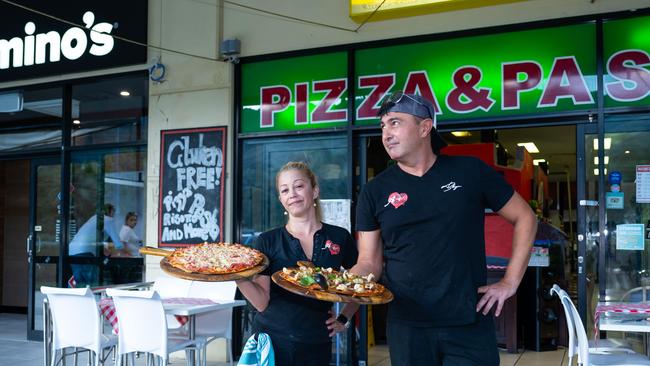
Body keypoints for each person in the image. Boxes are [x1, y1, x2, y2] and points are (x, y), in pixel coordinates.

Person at [352, 91, 537, 366]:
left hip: (468, 322)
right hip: (408, 326)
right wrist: (343, 286)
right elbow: (368, 262)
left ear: (425, 127)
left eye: (395, 122)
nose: (386, 133)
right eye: (382, 126)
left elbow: (526, 217)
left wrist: (511, 281)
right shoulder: (374, 191)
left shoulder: (470, 171)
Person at [236, 161, 359, 366]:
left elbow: (363, 284)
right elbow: (261, 302)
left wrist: (344, 319)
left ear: (315, 190)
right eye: (285, 190)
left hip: (317, 342)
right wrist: (235, 275)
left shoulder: (339, 237)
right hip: (272, 344)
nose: (292, 194)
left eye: (299, 186)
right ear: (281, 199)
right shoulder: (267, 240)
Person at [68, 203, 125, 287]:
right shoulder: (108, 220)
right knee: (93, 284)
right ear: (109, 212)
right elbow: (118, 243)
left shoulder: (94, 218)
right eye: (113, 213)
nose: (113, 216)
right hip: (85, 252)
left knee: (80, 285)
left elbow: (97, 240)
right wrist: (123, 251)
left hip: (72, 252)